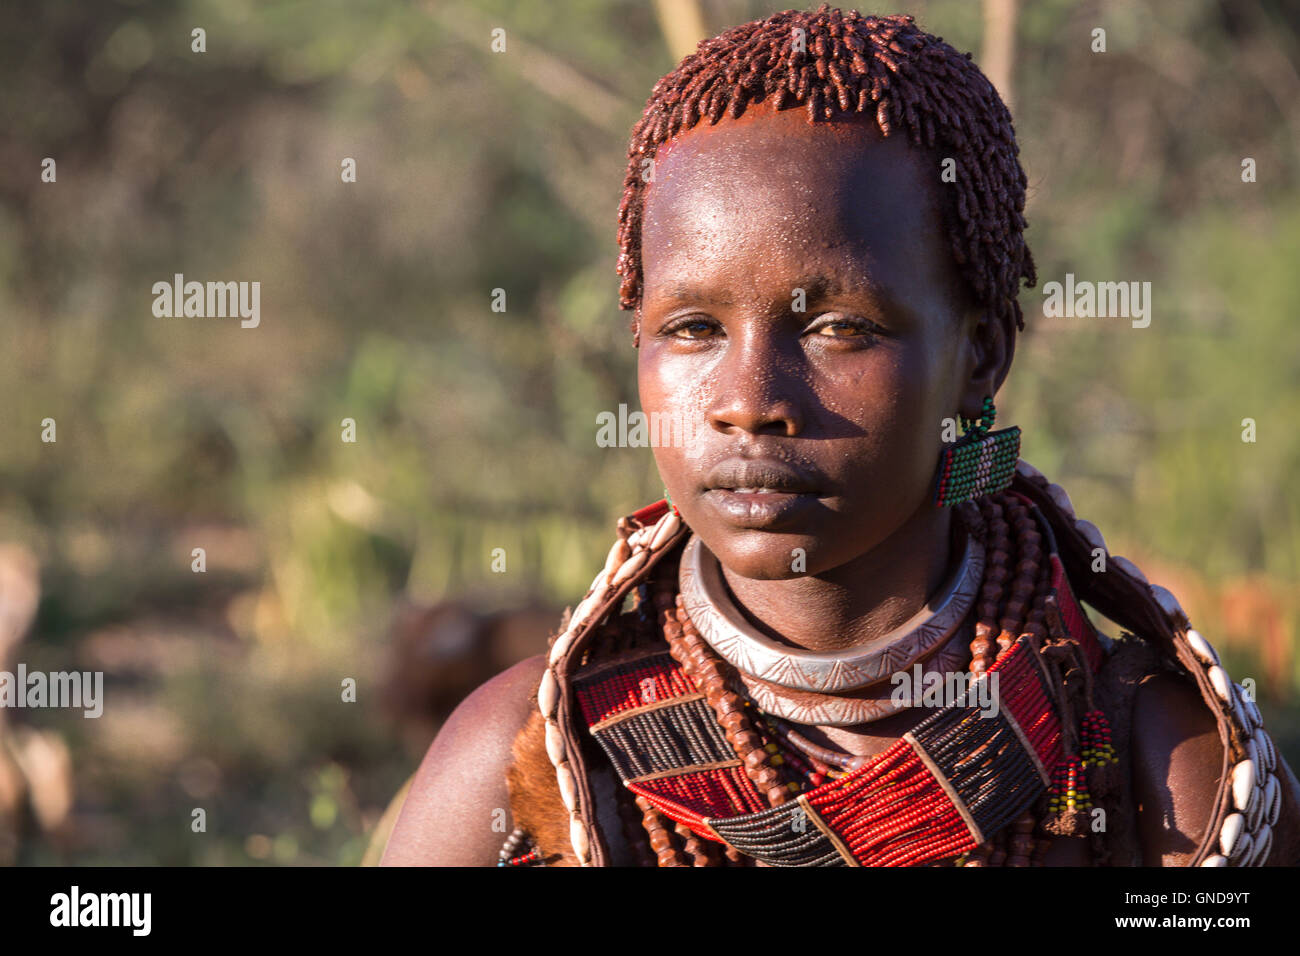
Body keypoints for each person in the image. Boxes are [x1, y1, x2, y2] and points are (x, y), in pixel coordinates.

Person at [380, 6, 1299, 867]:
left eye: (837, 328)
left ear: (981, 357)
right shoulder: (532, 765)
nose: (748, 401)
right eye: (692, 328)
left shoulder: (1161, 776)